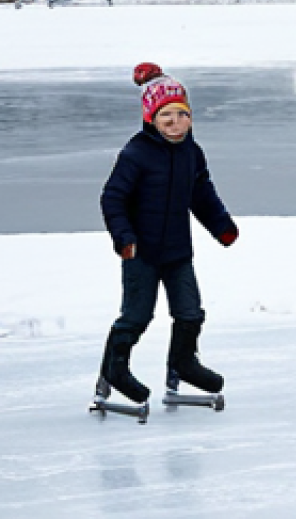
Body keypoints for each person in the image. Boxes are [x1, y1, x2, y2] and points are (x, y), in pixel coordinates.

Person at [96, 63, 239, 405]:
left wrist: (221, 226)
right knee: (137, 316)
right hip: (141, 252)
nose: (176, 123)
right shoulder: (136, 154)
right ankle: (114, 370)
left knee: (190, 312)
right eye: (167, 118)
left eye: (182, 114)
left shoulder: (192, 152)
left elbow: (201, 193)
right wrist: (124, 238)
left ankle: (183, 363)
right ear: (151, 119)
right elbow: (112, 198)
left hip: (177, 252)